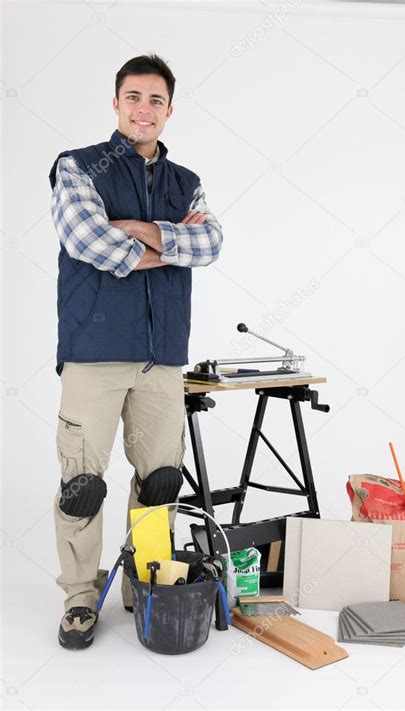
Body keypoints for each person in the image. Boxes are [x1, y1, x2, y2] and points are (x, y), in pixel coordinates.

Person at [49, 54, 223, 650]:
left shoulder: (187, 182)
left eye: (156, 100)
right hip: (94, 353)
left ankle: (144, 579)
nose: (143, 109)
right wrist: (172, 239)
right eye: (133, 97)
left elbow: (211, 243)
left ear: (169, 109)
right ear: (116, 102)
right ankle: (78, 596)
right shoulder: (77, 168)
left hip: (162, 357)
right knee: (83, 484)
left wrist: (138, 229)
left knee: (160, 482)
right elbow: (88, 240)